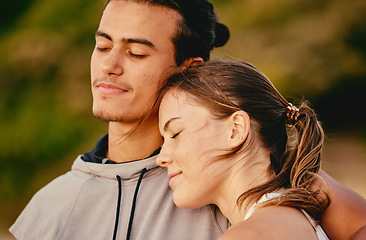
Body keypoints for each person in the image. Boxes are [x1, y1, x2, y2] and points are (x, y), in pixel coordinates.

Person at [9, 0, 366, 239]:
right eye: (102, 46)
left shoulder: (259, 173)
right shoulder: (47, 207)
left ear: (189, 68)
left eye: (135, 52)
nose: (108, 65)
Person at [156, 59, 366, 240]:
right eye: (163, 140)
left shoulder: (248, 236)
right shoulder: (308, 188)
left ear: (236, 129)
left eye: (175, 134)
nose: (161, 158)